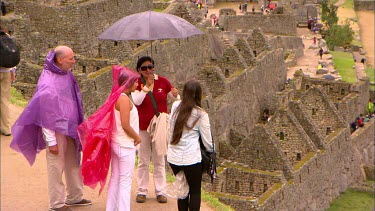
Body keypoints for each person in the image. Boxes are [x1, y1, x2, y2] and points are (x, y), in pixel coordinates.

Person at [10, 46, 91, 211]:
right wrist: (51, 141)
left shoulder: (66, 75)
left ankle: (75, 196)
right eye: (71, 59)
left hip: (70, 127)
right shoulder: (48, 82)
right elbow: (45, 114)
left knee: (74, 162)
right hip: (56, 130)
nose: (74, 62)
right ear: (60, 60)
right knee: (56, 166)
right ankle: (57, 203)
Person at [132, 56, 179, 203]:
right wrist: (146, 88)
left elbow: (175, 99)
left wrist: (176, 95)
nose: (148, 70)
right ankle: (142, 190)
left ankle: (160, 191)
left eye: (150, 67)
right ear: (139, 70)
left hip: (159, 126)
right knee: (143, 160)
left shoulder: (163, 81)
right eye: (144, 68)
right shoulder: (137, 83)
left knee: (159, 158)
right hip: (143, 127)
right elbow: (137, 101)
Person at [167, 80, 214, 211]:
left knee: (182, 189)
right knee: (194, 191)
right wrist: (211, 152)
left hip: (174, 158)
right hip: (191, 159)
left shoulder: (176, 106)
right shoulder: (201, 114)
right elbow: (208, 142)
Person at [107, 67, 142, 211]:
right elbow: (126, 125)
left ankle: (111, 208)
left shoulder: (117, 97)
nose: (137, 85)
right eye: (135, 82)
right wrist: (137, 137)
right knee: (125, 182)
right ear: (128, 83)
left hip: (116, 142)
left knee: (115, 178)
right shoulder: (125, 100)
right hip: (125, 144)